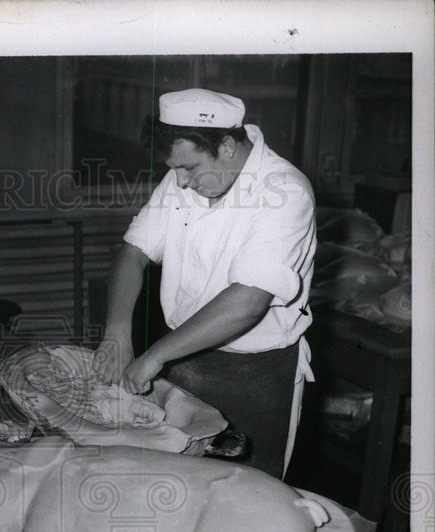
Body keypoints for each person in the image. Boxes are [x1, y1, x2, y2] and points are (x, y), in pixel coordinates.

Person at [94, 88, 317, 478]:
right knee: (173, 488)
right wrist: (116, 332)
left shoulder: (284, 192)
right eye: (175, 168)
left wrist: (155, 356)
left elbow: (247, 302)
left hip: (254, 377)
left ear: (227, 146)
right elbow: (133, 253)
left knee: (242, 503)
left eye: (190, 168)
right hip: (183, 360)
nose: (179, 182)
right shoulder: (185, 177)